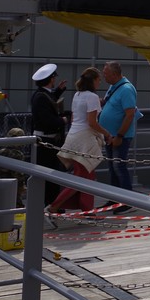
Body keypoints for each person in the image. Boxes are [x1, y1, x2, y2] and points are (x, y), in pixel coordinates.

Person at [51, 68, 109, 212]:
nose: (100, 82)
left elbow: (75, 118)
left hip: (73, 136)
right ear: (93, 80)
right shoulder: (92, 97)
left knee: (85, 175)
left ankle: (86, 210)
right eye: (98, 79)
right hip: (84, 139)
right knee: (83, 177)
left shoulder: (77, 95)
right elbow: (92, 122)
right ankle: (54, 206)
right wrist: (107, 134)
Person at [99, 61, 140, 213]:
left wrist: (120, 135)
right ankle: (115, 199)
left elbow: (129, 115)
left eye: (106, 73)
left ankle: (127, 202)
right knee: (113, 167)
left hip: (119, 136)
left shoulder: (126, 89)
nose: (103, 76)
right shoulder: (114, 86)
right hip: (110, 135)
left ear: (115, 74)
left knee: (119, 167)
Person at [30, 63, 69, 206]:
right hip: (46, 141)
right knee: (49, 174)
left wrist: (59, 90)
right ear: (50, 79)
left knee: (51, 173)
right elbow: (48, 119)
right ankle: (49, 203)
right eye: (53, 78)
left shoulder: (42, 94)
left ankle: (51, 202)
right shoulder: (41, 97)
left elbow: (50, 100)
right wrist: (63, 120)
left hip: (48, 141)